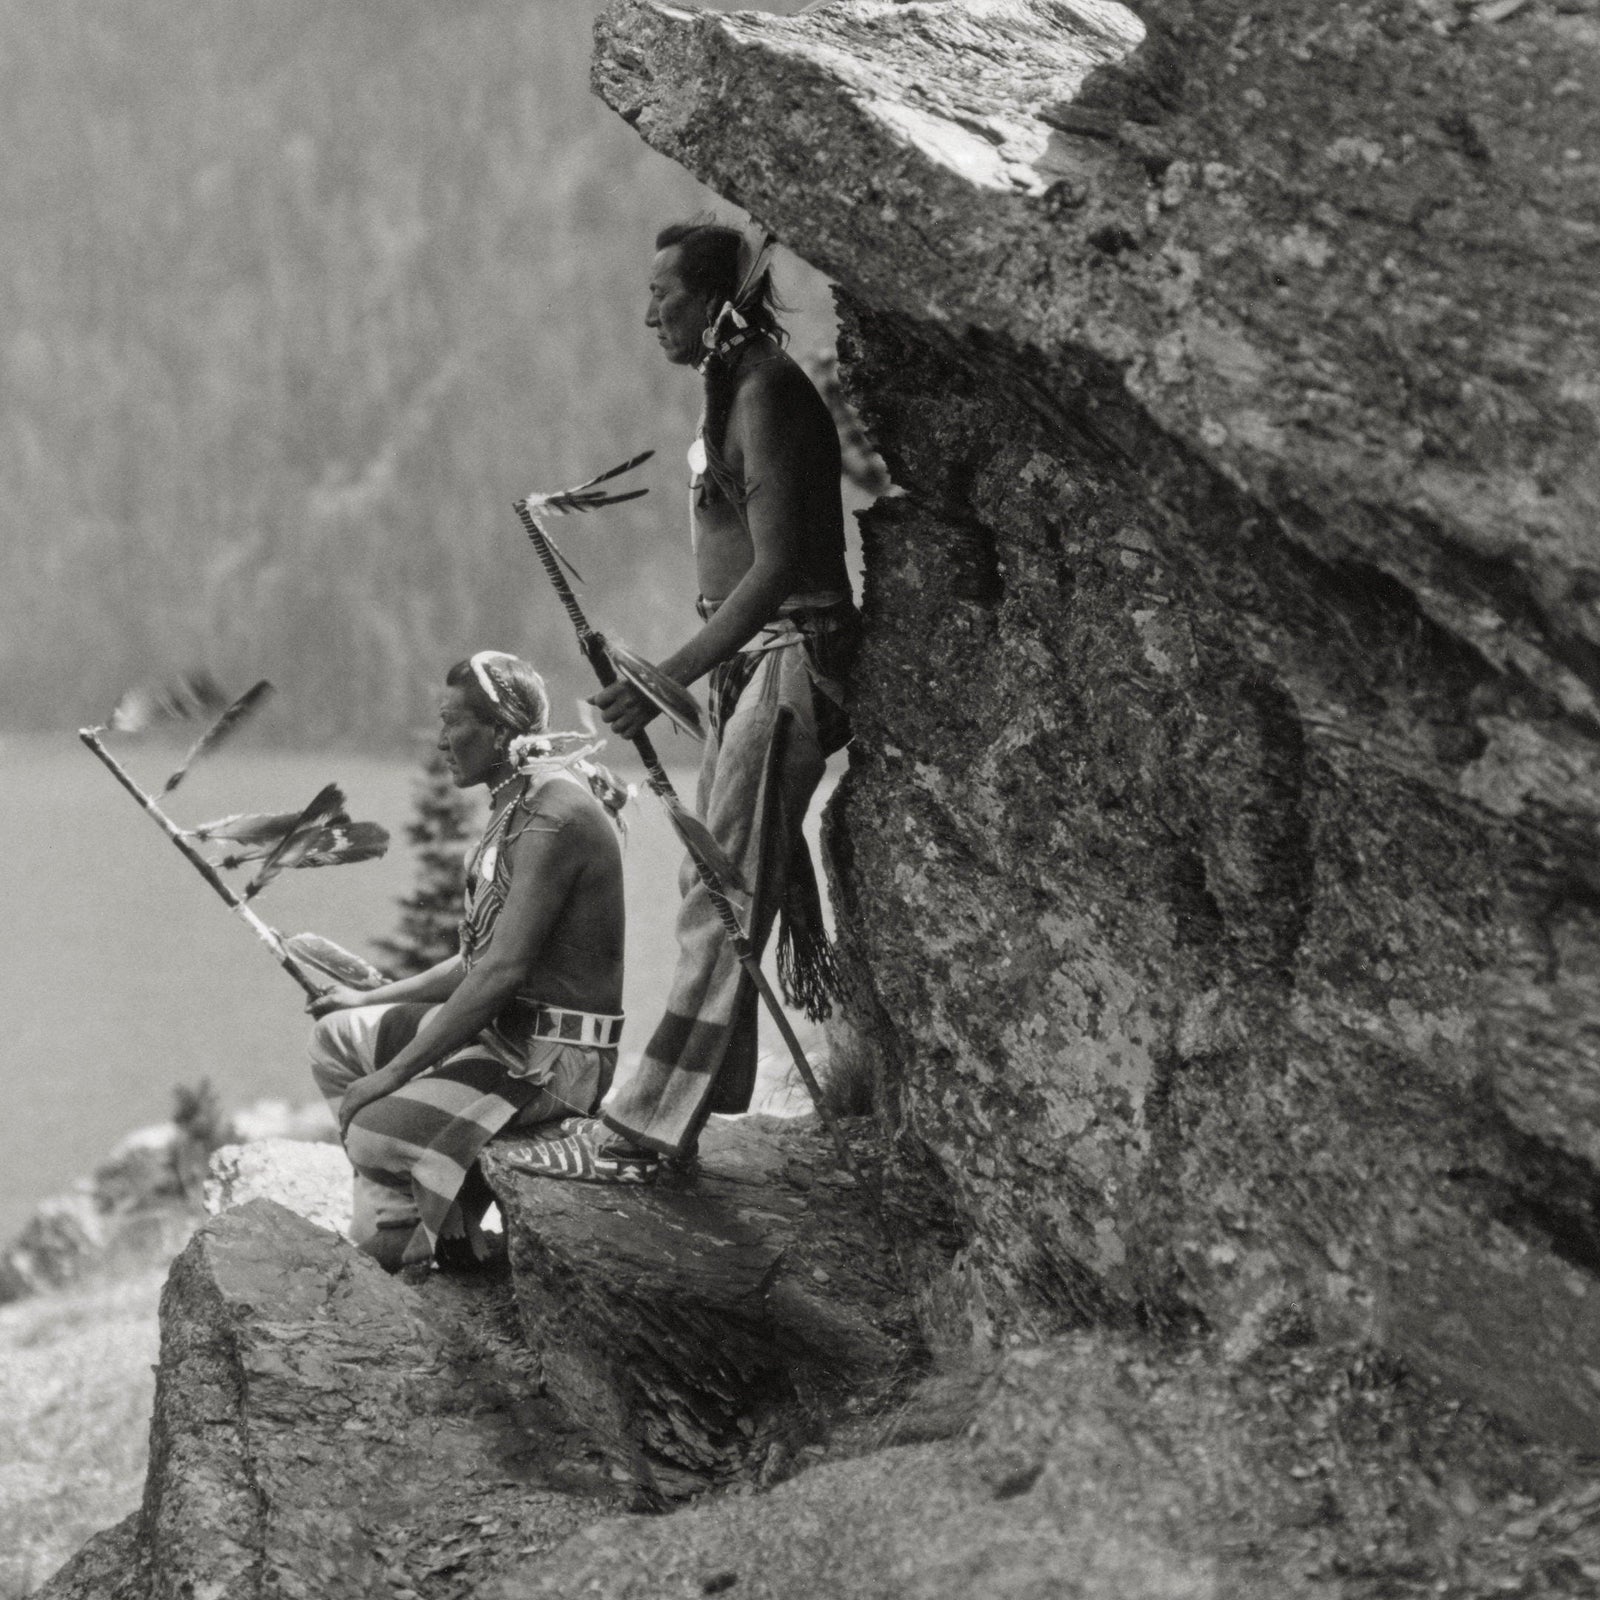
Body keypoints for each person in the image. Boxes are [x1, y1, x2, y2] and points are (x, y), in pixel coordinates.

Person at [535, 218, 858, 1179]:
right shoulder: (737, 390)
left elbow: (778, 570)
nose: (648, 318)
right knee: (709, 885)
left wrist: (665, 679)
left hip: (790, 660)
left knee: (725, 892)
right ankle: (707, 1108)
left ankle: (652, 1124)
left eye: (663, 299)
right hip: (750, 664)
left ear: (715, 300)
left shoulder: (764, 395)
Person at [307, 651, 627, 1267]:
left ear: (503, 730)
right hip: (507, 1034)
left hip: (552, 1059)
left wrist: (392, 1075)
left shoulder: (553, 819)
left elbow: (500, 973)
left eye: (453, 722)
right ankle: (406, 1223)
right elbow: (473, 960)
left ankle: (442, 1236)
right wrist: (368, 998)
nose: (442, 740)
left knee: (370, 1131)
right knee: (336, 1038)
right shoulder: (517, 808)